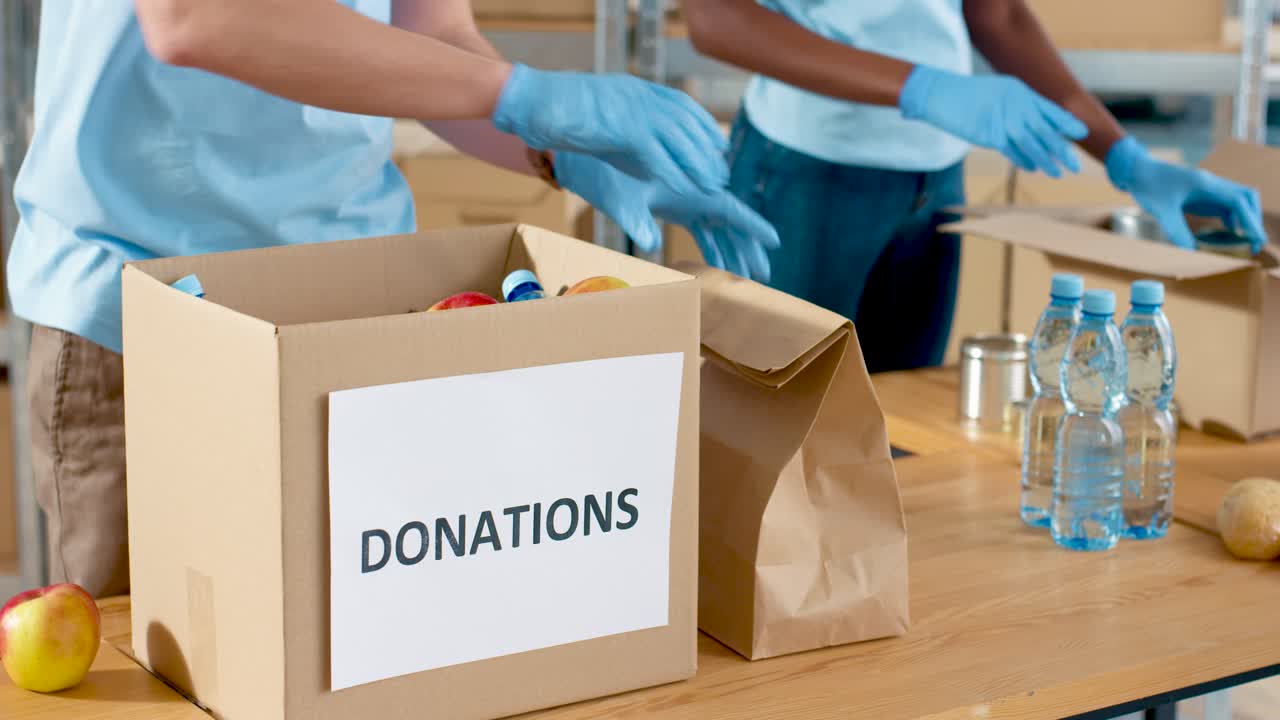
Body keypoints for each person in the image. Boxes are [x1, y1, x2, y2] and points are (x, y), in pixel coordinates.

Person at [11, 0, 777, 598]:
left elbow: (434, 36)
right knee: (167, 667)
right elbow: (199, 20)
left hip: (355, 313)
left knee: (358, 656)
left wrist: (564, 152)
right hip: (150, 318)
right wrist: (521, 92)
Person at [683, 0, 1268, 373]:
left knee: (889, 432)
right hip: (805, 173)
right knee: (774, 423)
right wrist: (924, 88)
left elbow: (999, 14)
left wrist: (1124, 157)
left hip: (934, 181)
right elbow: (716, 16)